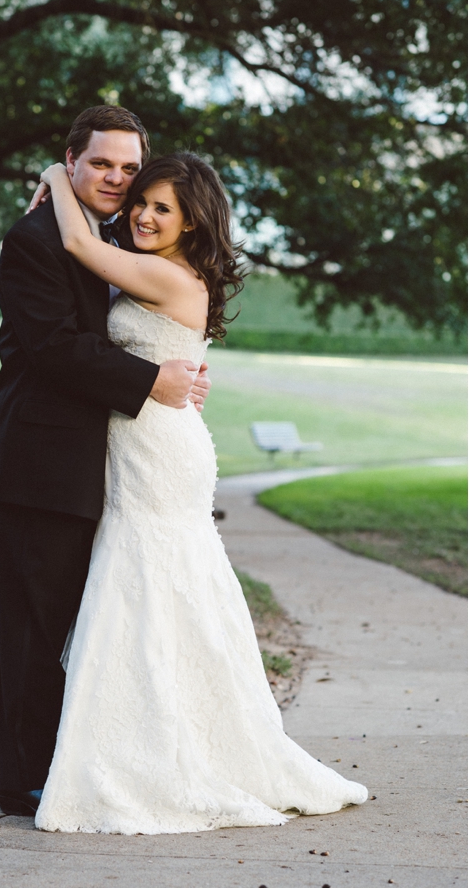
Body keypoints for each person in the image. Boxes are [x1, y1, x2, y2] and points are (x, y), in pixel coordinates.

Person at [32, 152, 368, 834]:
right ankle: (146, 740)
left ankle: (162, 752)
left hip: (159, 453)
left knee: (149, 582)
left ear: (191, 223)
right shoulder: (172, 274)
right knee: (157, 590)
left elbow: (73, 240)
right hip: (153, 438)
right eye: (142, 202)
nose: (144, 215)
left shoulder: (167, 274)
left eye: (163, 208)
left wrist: (51, 176)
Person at [0, 107, 211, 816]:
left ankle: (80, 759)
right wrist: (150, 381)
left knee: (101, 621)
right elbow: (53, 347)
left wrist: (174, 370)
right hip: (44, 461)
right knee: (37, 622)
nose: (117, 179)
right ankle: (17, 776)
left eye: (127, 168)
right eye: (100, 164)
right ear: (72, 160)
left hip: (119, 462)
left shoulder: (113, 237)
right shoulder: (34, 239)